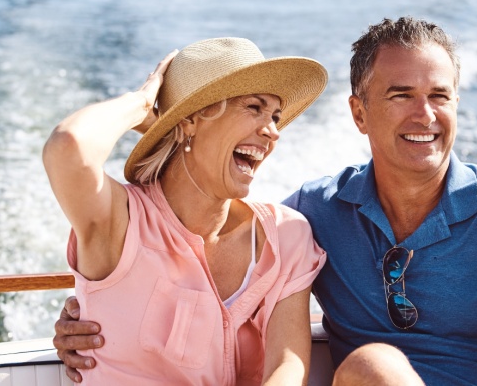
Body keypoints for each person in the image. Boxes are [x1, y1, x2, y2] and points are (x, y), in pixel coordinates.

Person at [53, 18, 477, 385]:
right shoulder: (312, 216)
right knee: (373, 368)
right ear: (358, 115)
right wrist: (98, 306)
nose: (425, 115)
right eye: (402, 95)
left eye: (440, 96)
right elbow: (84, 165)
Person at [43, 37, 328, 385]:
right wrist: (141, 103)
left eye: (276, 116)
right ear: (191, 120)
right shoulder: (120, 222)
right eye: (254, 108)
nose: (273, 132)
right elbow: (68, 146)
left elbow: (287, 369)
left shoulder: (286, 235)